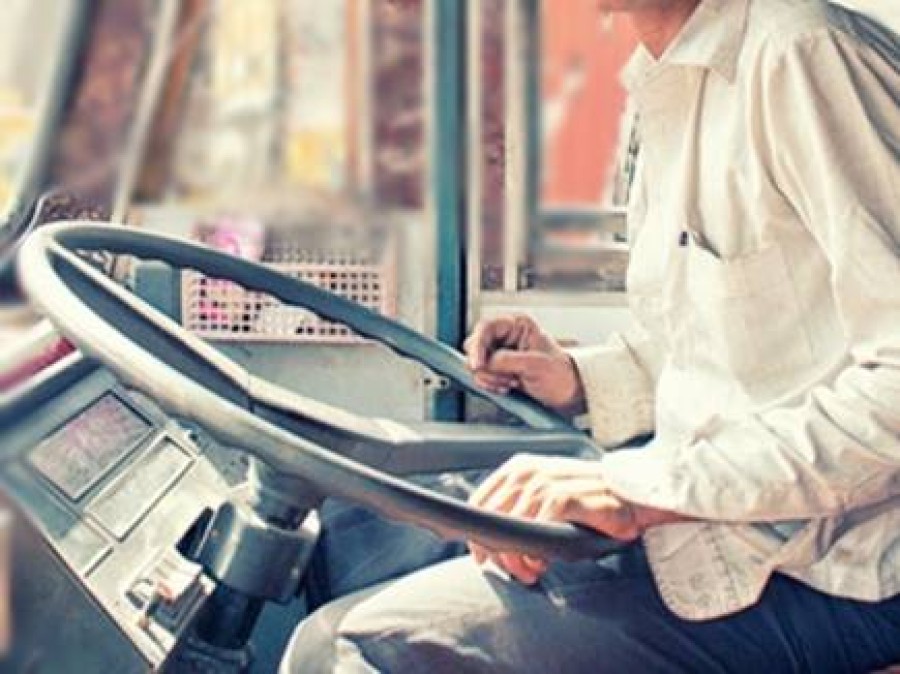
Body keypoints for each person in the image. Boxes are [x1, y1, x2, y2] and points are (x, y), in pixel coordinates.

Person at [282, 0, 900, 670]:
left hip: (830, 567)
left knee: (346, 649)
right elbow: (728, 348)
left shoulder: (804, 57)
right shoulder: (667, 77)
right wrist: (581, 378)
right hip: (713, 510)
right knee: (349, 532)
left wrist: (638, 491)